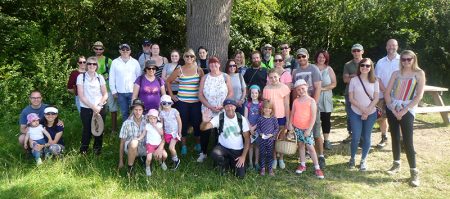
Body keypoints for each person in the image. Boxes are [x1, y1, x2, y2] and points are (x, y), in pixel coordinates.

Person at [384, 50, 425, 187]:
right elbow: (387, 92)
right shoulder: (396, 73)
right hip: (393, 108)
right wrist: (391, 107)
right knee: (394, 137)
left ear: (414, 59)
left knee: (408, 140)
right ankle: (396, 164)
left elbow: (419, 96)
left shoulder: (419, 74)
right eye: (403, 59)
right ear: (400, 60)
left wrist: (404, 110)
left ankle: (414, 172)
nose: (406, 62)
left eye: (409, 59)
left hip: (408, 108)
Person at [291, 48, 326, 170]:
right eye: (299, 57)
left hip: (312, 105)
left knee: (315, 132)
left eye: (303, 56)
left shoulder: (314, 69)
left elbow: (318, 88)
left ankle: (321, 156)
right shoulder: (295, 72)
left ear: (307, 56)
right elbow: (295, 90)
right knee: (302, 132)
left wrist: (313, 104)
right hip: (300, 106)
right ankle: (304, 158)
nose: (301, 59)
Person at [166, 48, 205, 155]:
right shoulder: (179, 70)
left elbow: (203, 85)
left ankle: (198, 143)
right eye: (187, 56)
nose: (189, 58)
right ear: (183, 58)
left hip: (196, 102)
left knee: (197, 123)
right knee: (183, 123)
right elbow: (168, 81)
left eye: (191, 56)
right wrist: (171, 95)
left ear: (194, 58)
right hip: (182, 102)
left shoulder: (199, 70)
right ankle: (183, 146)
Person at [200, 99, 251, 178]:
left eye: (231, 106)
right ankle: (224, 165)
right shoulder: (220, 117)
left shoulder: (241, 119)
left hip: (237, 151)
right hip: (223, 148)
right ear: (224, 108)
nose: (229, 108)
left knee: (240, 175)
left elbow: (247, 140)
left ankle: (232, 163)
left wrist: (243, 156)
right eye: (227, 106)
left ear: (235, 107)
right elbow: (203, 128)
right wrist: (204, 121)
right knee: (215, 153)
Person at [198, 56, 233, 162]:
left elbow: (231, 92)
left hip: (222, 109)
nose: (213, 65)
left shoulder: (225, 76)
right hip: (207, 109)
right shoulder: (205, 77)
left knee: (220, 132)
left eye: (215, 63)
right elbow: (200, 94)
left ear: (219, 64)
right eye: (211, 64)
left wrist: (223, 105)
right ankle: (203, 153)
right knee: (205, 132)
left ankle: (217, 154)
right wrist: (210, 106)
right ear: (209, 65)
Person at [348, 58, 379, 171]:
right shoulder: (354, 80)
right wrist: (363, 109)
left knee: (366, 137)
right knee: (356, 136)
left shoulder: (375, 81)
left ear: (371, 68)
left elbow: (376, 98)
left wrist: (367, 110)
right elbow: (351, 98)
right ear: (359, 66)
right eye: (362, 65)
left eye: (367, 66)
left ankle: (363, 160)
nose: (365, 67)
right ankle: (352, 158)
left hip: (371, 113)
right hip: (356, 112)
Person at [289, 79, 324, 179]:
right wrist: (290, 124)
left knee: (310, 148)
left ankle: (317, 168)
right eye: (298, 89)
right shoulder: (296, 101)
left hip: (306, 129)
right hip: (297, 127)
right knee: (300, 146)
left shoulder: (311, 101)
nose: (301, 91)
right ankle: (302, 164)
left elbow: (313, 117)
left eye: (302, 88)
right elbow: (292, 113)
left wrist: (309, 130)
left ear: (307, 87)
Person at [77, 56, 108, 154]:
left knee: (99, 129)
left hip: (100, 108)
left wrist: (99, 105)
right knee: (87, 130)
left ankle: (97, 150)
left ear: (97, 66)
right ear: (86, 65)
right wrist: (93, 107)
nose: (91, 65)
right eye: (89, 63)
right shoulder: (81, 77)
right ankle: (83, 151)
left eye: (94, 64)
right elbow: (81, 96)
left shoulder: (100, 77)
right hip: (86, 108)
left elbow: (105, 94)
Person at [374, 39, 400, 149]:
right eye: (389, 45)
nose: (391, 47)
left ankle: (401, 140)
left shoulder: (402, 61)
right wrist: (385, 91)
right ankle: (384, 138)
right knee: (381, 118)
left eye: (393, 45)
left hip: (397, 96)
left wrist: (390, 92)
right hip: (381, 94)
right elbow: (377, 78)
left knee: (399, 117)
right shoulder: (380, 62)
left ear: (397, 47)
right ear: (386, 47)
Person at [263, 69, 291, 169]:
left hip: (281, 116)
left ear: (279, 77)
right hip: (270, 117)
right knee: (273, 139)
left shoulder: (284, 88)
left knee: (281, 137)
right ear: (268, 78)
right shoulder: (266, 88)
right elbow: (265, 104)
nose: (273, 79)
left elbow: (287, 104)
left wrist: (288, 120)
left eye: (275, 77)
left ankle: (281, 159)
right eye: (271, 77)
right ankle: (274, 159)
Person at [109, 43, 141, 121]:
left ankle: (135, 130)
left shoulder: (135, 62)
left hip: (133, 92)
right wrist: (113, 91)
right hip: (120, 93)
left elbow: (139, 78)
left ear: (130, 51)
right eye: (123, 50)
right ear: (120, 51)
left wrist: (138, 91)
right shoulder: (115, 62)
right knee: (124, 113)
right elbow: (111, 77)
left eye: (127, 50)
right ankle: (126, 131)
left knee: (135, 112)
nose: (125, 51)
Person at [342, 44, 365, 143]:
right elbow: (345, 80)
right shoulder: (348, 64)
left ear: (362, 51)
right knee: (350, 114)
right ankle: (351, 134)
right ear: (352, 52)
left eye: (358, 50)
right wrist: (357, 75)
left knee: (363, 113)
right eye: (354, 50)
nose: (356, 52)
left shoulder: (367, 63)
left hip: (364, 94)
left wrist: (352, 76)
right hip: (349, 93)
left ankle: (363, 136)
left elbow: (370, 78)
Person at [93, 41, 117, 133]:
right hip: (95, 90)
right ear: (94, 49)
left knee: (112, 109)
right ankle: (98, 129)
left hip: (108, 89)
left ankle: (114, 130)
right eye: (96, 48)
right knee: (98, 110)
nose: (98, 50)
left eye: (100, 49)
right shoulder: (91, 60)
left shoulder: (109, 60)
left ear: (103, 49)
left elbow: (114, 74)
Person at [118, 99, 147, 175]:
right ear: (132, 110)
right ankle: (130, 168)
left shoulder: (148, 120)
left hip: (145, 147)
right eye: (135, 110)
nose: (138, 112)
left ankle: (144, 159)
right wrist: (121, 161)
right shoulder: (126, 123)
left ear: (143, 110)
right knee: (134, 142)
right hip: (131, 147)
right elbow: (122, 143)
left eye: (140, 110)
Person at [136, 109, 168, 176]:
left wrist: (155, 126)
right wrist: (138, 138)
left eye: (154, 118)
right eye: (150, 118)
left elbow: (162, 133)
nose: (152, 120)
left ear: (157, 118)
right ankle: (147, 167)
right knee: (149, 158)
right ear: (148, 119)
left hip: (158, 144)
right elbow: (143, 134)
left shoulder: (159, 125)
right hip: (150, 144)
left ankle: (161, 162)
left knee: (165, 155)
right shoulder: (147, 126)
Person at [315, 50, 337, 150]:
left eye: (323, 57)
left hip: (325, 96)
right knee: (314, 119)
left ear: (326, 58)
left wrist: (322, 89)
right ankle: (314, 139)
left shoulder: (329, 69)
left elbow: (334, 83)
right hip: (314, 96)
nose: (321, 59)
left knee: (326, 119)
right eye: (320, 57)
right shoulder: (312, 68)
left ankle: (326, 140)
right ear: (316, 57)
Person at [256, 100, 279, 176]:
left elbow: (276, 128)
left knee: (270, 154)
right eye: (265, 108)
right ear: (262, 109)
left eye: (269, 108)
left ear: (272, 110)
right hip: (262, 139)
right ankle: (262, 168)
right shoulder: (260, 118)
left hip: (270, 140)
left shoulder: (273, 119)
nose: (267, 109)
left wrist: (272, 134)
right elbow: (258, 128)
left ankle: (270, 168)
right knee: (262, 154)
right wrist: (260, 133)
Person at [159, 95, 182, 170]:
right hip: (166, 133)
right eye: (164, 103)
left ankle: (176, 160)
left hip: (174, 133)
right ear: (161, 104)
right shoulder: (161, 113)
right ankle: (164, 160)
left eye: (168, 103)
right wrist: (161, 133)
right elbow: (162, 124)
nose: (166, 105)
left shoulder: (175, 111)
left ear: (171, 103)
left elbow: (179, 122)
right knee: (162, 146)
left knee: (171, 147)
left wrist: (179, 132)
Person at [244, 85, 262, 171]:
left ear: (259, 93)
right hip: (249, 128)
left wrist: (254, 127)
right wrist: (250, 128)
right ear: (250, 93)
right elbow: (245, 117)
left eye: (256, 93)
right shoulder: (248, 104)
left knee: (257, 146)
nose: (254, 94)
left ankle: (256, 162)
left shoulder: (261, 104)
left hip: (258, 128)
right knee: (250, 145)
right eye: (252, 93)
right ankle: (250, 162)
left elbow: (261, 117)